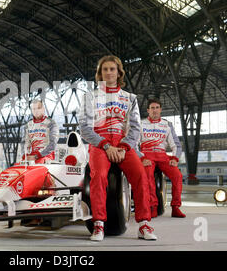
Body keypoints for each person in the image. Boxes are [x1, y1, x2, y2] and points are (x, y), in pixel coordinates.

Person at [79, 55, 157, 241]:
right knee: (98, 176)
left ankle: (144, 224)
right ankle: (98, 224)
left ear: (119, 72)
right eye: (104, 69)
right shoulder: (90, 97)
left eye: (112, 69)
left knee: (140, 175)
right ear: (100, 73)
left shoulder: (130, 98)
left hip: (123, 145)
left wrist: (123, 147)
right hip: (99, 144)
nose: (108, 72)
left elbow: (136, 128)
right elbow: (84, 128)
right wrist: (106, 145)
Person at [139, 98, 185, 218]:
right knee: (148, 175)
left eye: (157, 108)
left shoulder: (167, 124)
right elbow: (133, 144)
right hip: (147, 154)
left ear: (161, 110)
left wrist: (175, 158)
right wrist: (141, 158)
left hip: (162, 155)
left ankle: (175, 207)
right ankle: (152, 206)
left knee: (178, 176)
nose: (155, 110)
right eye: (152, 108)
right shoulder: (140, 124)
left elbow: (176, 145)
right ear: (148, 110)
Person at [21, 99, 59, 164]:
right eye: (34, 109)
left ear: (43, 109)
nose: (36, 111)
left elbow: (53, 143)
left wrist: (37, 155)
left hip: (46, 157)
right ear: (32, 111)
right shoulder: (28, 125)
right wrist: (25, 155)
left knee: (38, 166)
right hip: (32, 157)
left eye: (38, 108)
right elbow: (24, 142)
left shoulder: (51, 123)